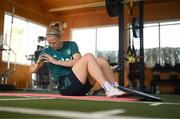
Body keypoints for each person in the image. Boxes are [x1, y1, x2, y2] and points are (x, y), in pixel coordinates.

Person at [30, 22, 126, 97]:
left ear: (60, 38)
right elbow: (31, 70)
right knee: (88, 56)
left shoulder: (71, 45)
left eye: (54, 42)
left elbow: (78, 61)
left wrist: (56, 61)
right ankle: (108, 89)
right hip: (65, 86)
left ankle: (115, 87)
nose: (52, 45)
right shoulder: (46, 52)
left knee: (101, 60)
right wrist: (37, 65)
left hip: (81, 86)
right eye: (49, 43)